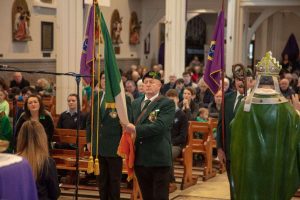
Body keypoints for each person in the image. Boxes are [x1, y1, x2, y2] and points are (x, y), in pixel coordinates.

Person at [125, 71, 175, 200]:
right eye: (145, 82)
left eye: (151, 82)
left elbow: (160, 126)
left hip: (158, 158)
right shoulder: (135, 103)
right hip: (141, 158)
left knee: (159, 197)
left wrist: (136, 129)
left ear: (159, 85)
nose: (147, 85)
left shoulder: (166, 103)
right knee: (146, 196)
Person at [86, 72, 132, 200]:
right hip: (98, 146)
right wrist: (89, 140)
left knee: (114, 181)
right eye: (102, 78)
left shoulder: (122, 98)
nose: (105, 80)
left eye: (108, 78)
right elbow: (90, 120)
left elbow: (129, 122)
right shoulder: (97, 96)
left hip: (114, 147)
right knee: (101, 180)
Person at [216, 75, 246, 199]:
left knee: (244, 184)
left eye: (245, 80)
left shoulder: (254, 99)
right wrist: (219, 148)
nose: (241, 82)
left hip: (246, 151)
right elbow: (220, 125)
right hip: (228, 149)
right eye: (239, 79)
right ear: (235, 82)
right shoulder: (227, 98)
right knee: (232, 184)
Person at [17, 120, 60, 200]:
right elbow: (55, 194)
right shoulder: (48, 163)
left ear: (21, 137)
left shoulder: (14, 163)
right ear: (42, 138)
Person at [165, 89, 188, 191]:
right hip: (164, 143)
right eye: (168, 98)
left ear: (177, 99)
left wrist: (170, 142)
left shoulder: (182, 115)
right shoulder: (163, 113)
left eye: (173, 98)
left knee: (166, 154)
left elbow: (183, 137)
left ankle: (171, 181)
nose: (170, 100)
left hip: (177, 145)